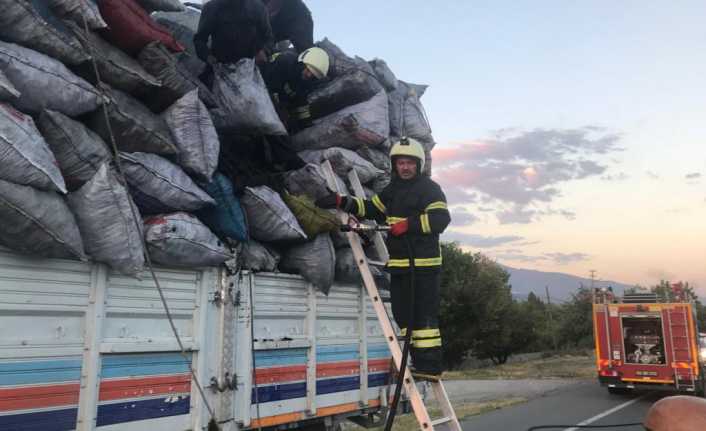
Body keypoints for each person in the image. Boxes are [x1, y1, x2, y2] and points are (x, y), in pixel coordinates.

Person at [315, 137, 451, 379]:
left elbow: (441, 219)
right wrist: (342, 201)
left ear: (418, 165)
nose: (405, 167)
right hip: (399, 266)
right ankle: (418, 362)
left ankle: (431, 366)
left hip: (424, 267)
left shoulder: (430, 189)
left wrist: (408, 225)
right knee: (403, 315)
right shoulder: (392, 190)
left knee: (424, 318)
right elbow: (371, 209)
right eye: (401, 163)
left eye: (410, 163)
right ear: (394, 165)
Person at [193, 0, 273, 87]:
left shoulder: (258, 7)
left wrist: (264, 51)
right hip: (221, 69)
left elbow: (269, 38)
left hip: (250, 71)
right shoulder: (212, 7)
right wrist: (208, 57)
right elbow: (199, 40)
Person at [262, 47, 330, 131]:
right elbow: (270, 86)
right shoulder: (285, 61)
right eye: (308, 70)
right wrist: (279, 108)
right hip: (261, 89)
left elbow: (301, 101)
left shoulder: (306, 83)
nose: (309, 75)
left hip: (279, 99)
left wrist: (306, 122)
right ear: (302, 62)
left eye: (313, 75)